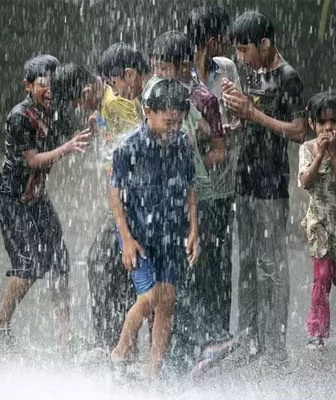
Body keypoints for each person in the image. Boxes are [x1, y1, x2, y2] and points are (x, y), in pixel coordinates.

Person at [0, 55, 91, 347]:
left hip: (38, 197)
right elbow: (32, 160)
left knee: (59, 262)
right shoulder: (20, 117)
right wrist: (66, 147)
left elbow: (76, 133)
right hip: (13, 198)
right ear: (27, 86)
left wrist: (94, 124)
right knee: (28, 264)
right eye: (43, 85)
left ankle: (64, 340)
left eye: (53, 83)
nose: (50, 90)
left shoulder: (56, 109)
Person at [221, 10, 307, 364]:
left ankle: (275, 348)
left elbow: (300, 132)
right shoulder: (255, 74)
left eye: (245, 50)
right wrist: (235, 116)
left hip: (272, 185)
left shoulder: (289, 78)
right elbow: (253, 123)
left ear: (265, 43)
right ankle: (248, 341)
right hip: (245, 181)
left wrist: (253, 114)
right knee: (247, 262)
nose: (241, 58)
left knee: (272, 266)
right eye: (237, 52)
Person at [142, 30, 228, 372]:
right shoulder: (152, 94)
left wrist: (190, 168)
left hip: (194, 198)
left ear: (182, 67)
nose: (160, 73)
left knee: (190, 276)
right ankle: (172, 356)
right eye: (156, 66)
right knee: (168, 281)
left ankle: (199, 347)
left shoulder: (200, 99)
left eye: (166, 67)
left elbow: (217, 146)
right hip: (160, 202)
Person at [109, 79, 198, 378]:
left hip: (171, 235)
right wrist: (126, 239)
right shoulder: (128, 148)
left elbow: (190, 189)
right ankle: (120, 351)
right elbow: (115, 193)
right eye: (167, 120)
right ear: (148, 111)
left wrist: (193, 230)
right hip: (140, 238)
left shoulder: (182, 144)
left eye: (178, 121)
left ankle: (153, 371)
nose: (173, 127)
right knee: (148, 299)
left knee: (167, 300)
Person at [86, 42, 149, 353]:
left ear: (128, 75)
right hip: (131, 199)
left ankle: (117, 346)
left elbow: (131, 155)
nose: (115, 91)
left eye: (114, 84)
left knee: (109, 264)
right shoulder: (133, 98)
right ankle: (122, 346)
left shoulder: (125, 103)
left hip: (136, 203)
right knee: (119, 269)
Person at [187, 4, 239, 360]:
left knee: (221, 263)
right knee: (195, 264)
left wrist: (229, 128)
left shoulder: (227, 71)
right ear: (212, 39)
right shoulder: (181, 78)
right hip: (193, 191)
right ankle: (197, 339)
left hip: (222, 188)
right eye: (222, 37)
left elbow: (235, 115)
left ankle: (219, 335)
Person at [298, 92, 336, 349]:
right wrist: (320, 155)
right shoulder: (306, 149)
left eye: (333, 121)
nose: (328, 128)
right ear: (312, 125)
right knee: (321, 277)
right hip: (319, 223)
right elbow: (305, 182)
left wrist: (333, 153)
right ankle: (317, 331)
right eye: (322, 123)